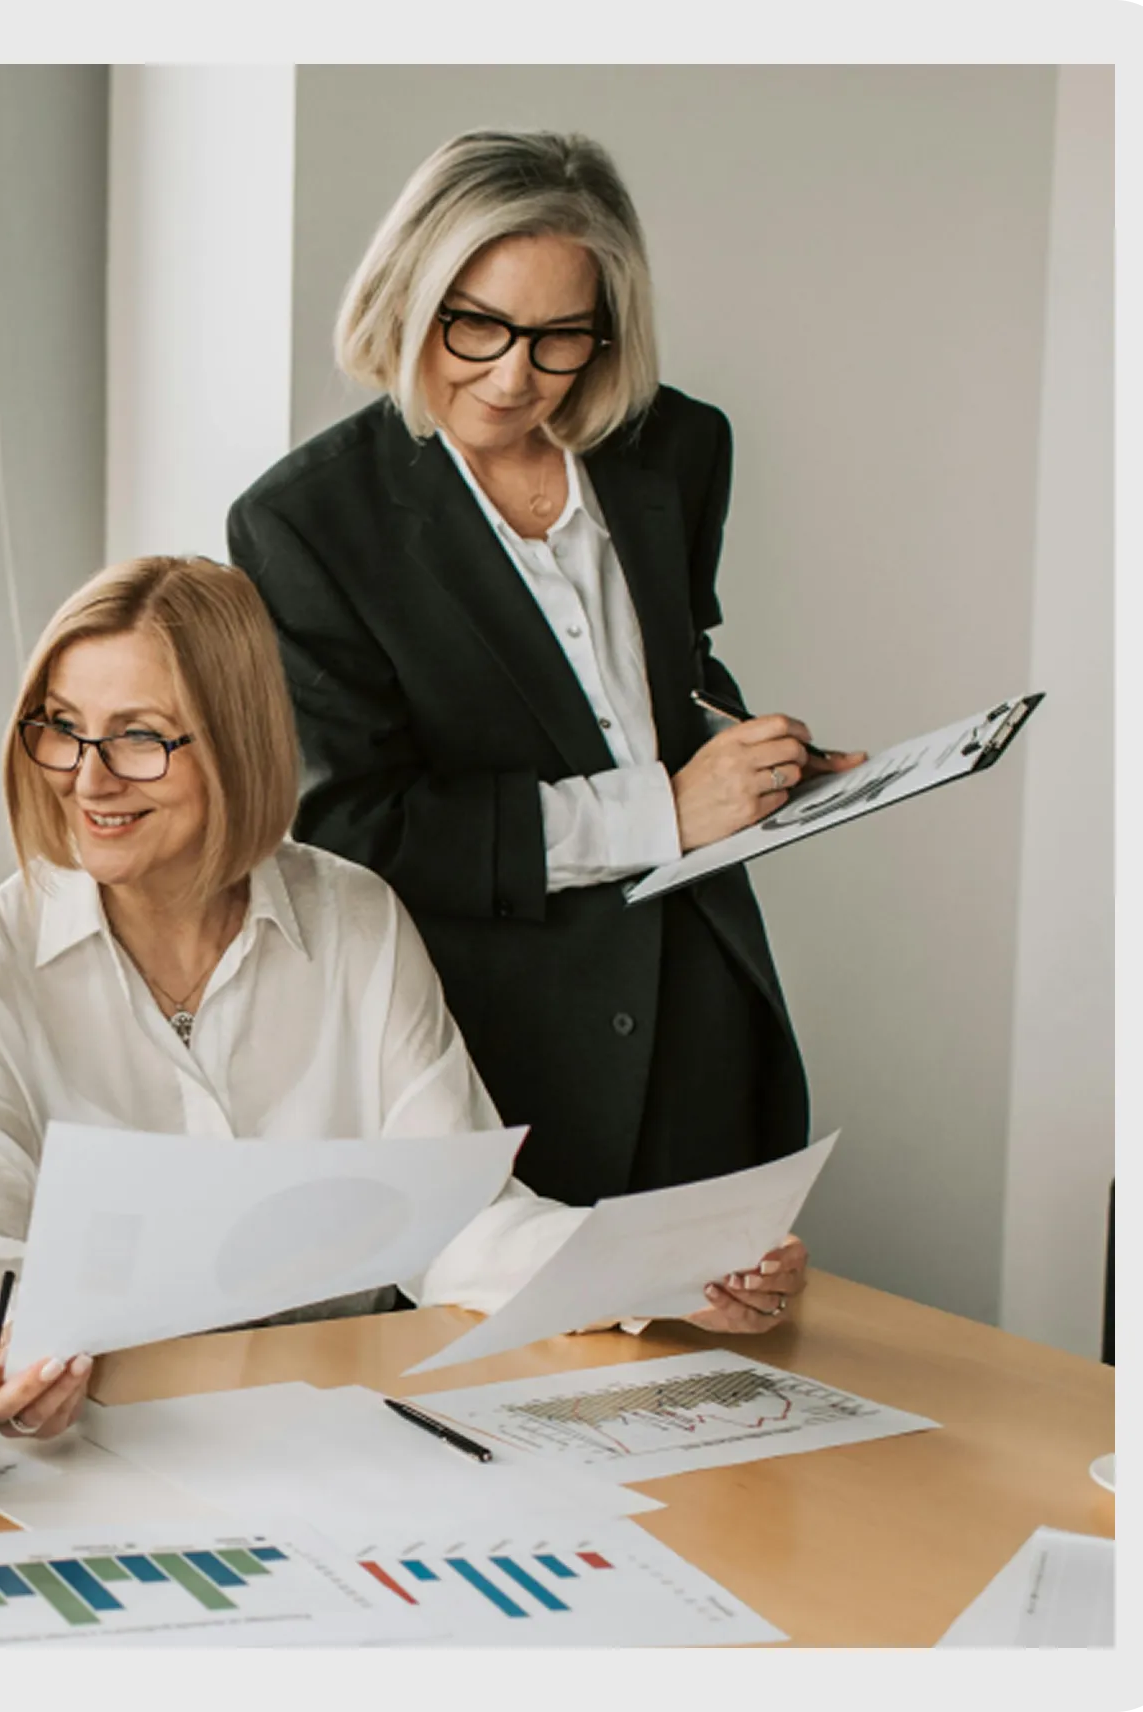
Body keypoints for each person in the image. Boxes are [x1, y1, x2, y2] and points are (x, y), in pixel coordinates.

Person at [0, 556, 808, 1443]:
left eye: (140, 737)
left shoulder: (354, 917)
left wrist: (671, 1269)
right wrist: (31, 1351)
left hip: (341, 1423)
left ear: (239, 741)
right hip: (99, 1433)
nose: (88, 777)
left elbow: (463, 1216)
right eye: (60, 726)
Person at [227, 130, 866, 1211]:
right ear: (407, 292)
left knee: (724, 1357)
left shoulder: (678, 447)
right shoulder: (306, 521)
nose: (513, 375)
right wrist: (659, 812)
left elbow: (664, 674)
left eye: (560, 336)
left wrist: (750, 756)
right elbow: (356, 823)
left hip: (702, 993)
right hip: (499, 1036)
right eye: (475, 324)